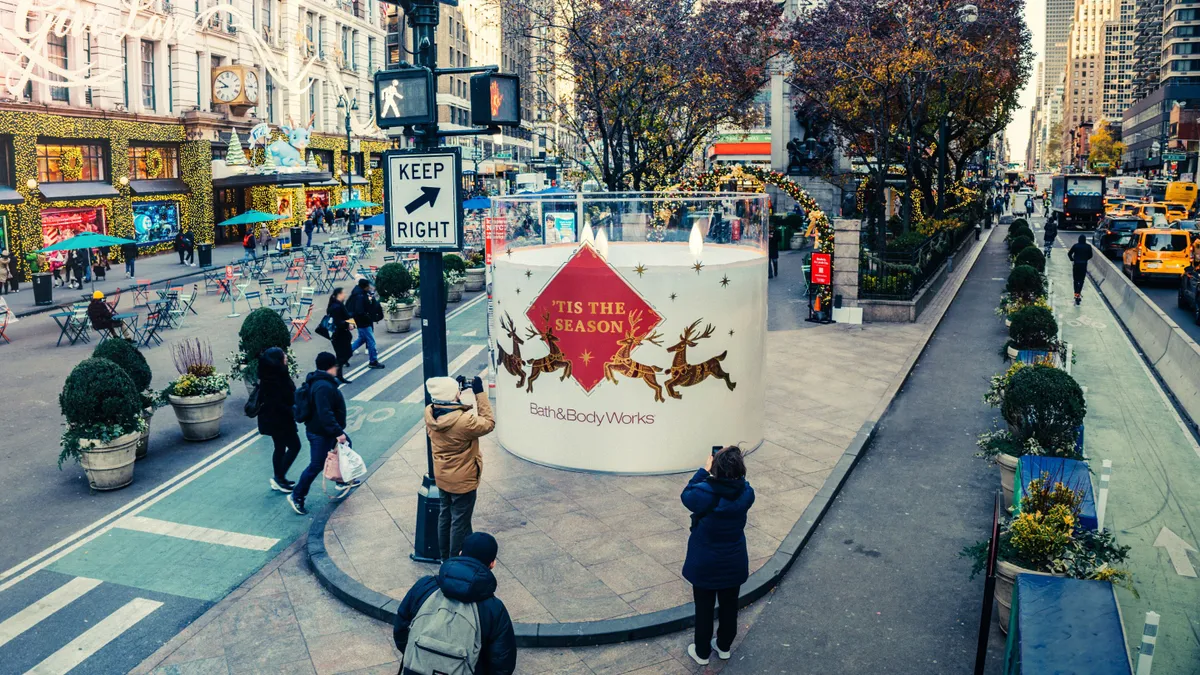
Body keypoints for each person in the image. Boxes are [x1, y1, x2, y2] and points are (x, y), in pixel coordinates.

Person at [393, 532, 516, 675]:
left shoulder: (424, 586)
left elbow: (400, 630)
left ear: (460, 553)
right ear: (492, 564)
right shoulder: (494, 609)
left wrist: (423, 661)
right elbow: (502, 664)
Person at [681, 446, 755, 666]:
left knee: (704, 608)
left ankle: (702, 652)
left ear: (715, 467)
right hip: (733, 560)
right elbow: (743, 482)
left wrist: (704, 471)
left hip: (705, 562)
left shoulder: (703, 493)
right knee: (729, 606)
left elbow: (687, 495)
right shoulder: (747, 492)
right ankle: (724, 647)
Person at [424, 374, 495, 561]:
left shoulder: (431, 413)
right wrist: (480, 393)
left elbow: (450, 411)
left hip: (443, 476)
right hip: (463, 479)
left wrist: (454, 395)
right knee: (459, 522)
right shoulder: (464, 421)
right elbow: (488, 423)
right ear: (452, 396)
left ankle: (444, 557)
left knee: (445, 516)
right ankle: (454, 561)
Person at [287, 352, 359, 515]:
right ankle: (297, 495)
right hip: (321, 433)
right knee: (316, 465)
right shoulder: (323, 387)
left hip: (324, 430)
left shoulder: (320, 382)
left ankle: (341, 480)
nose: (337, 368)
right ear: (330, 367)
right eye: (335, 366)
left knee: (346, 446)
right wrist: (338, 432)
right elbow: (324, 413)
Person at [257, 347, 302, 494]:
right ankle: (279, 477)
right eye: (284, 356)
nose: (286, 357)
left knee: (280, 447)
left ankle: (280, 477)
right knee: (295, 446)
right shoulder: (275, 380)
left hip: (275, 419)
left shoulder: (272, 375)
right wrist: (294, 411)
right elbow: (278, 402)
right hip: (279, 420)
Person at [348, 278, 385, 369]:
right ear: (365, 287)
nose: (369, 287)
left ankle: (344, 355)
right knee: (371, 341)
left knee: (361, 339)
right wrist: (368, 317)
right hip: (364, 322)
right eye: (368, 286)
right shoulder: (360, 296)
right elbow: (360, 311)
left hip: (360, 321)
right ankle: (373, 361)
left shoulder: (358, 293)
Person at [326, 287, 355, 384]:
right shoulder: (336, 307)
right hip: (339, 335)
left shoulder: (337, 305)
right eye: (344, 293)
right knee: (343, 355)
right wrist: (348, 324)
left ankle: (338, 375)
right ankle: (336, 374)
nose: (345, 294)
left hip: (339, 335)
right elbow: (338, 322)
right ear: (339, 294)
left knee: (343, 355)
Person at [1068, 234, 1093, 305]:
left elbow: (1069, 254)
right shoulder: (1088, 246)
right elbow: (1090, 255)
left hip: (1076, 264)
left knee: (1075, 280)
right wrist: (1085, 259)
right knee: (1081, 280)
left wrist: (1072, 259)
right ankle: (1079, 293)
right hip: (1083, 265)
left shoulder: (1075, 246)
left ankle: (1076, 294)